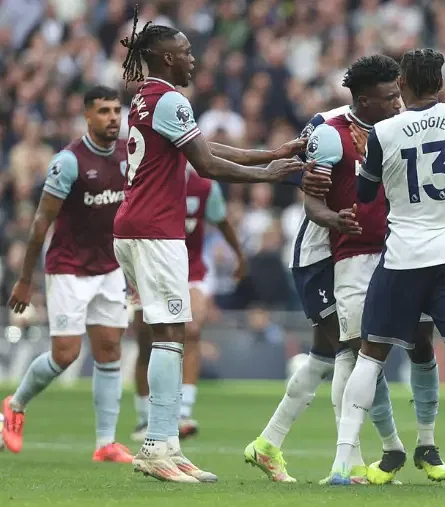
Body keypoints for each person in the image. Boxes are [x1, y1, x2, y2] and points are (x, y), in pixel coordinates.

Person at [114, 11, 305, 483]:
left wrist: (269, 153)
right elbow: (205, 165)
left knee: (167, 332)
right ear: (165, 58)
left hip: (134, 227)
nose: (193, 60)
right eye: (185, 53)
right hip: (156, 231)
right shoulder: (171, 99)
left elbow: (204, 149)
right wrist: (266, 176)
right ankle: (158, 445)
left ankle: (168, 445)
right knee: (171, 332)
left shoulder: (145, 97)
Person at [320, 48, 445, 489]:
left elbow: (365, 197)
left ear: (401, 83)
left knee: (369, 358)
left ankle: (341, 466)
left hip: (403, 258)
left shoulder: (384, 131)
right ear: (441, 84)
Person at [297, 54, 445, 486]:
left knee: (421, 341)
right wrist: (333, 219)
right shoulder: (329, 135)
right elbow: (312, 199)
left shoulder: (400, 130)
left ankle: (425, 442)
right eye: (388, 97)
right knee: (359, 351)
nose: (398, 103)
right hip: (355, 256)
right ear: (363, 99)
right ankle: (357, 458)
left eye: (399, 93)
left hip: (406, 250)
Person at [3, 85, 133, 463]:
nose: (112, 117)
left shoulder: (128, 153)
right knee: (66, 354)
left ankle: (106, 443)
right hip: (69, 269)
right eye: (104, 111)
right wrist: (26, 279)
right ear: (87, 117)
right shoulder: (69, 161)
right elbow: (42, 221)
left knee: (109, 350)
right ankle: (17, 403)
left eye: (116, 110)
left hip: (109, 267)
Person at [131, 167, 247, 442]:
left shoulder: (205, 187)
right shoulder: (146, 178)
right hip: (150, 269)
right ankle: (143, 417)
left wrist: (240, 256)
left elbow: (222, 222)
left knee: (192, 330)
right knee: (146, 342)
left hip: (192, 271)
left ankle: (182, 411)